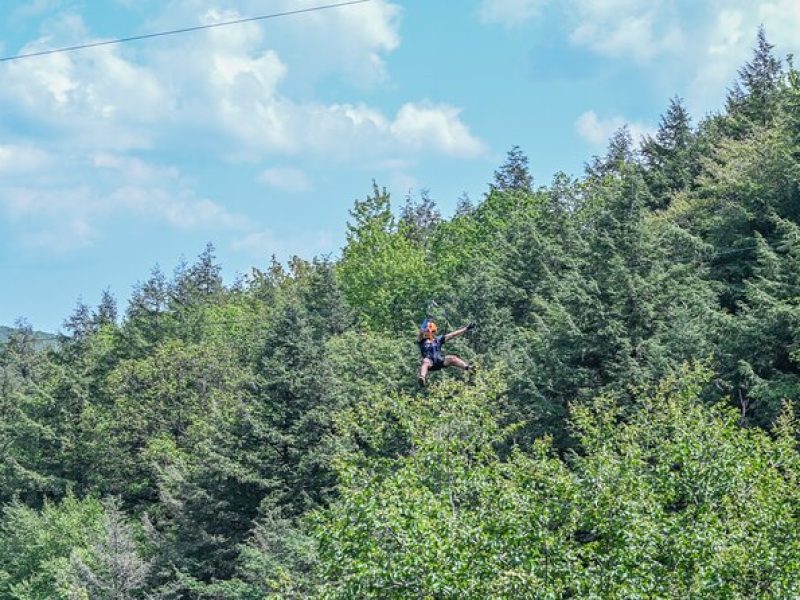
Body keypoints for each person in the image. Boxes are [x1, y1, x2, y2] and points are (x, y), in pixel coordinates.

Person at [417, 317, 474, 387]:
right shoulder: (422, 341)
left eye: (431, 331)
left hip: (439, 361)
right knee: (425, 361)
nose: (429, 333)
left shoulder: (439, 339)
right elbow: (421, 332)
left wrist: (466, 329)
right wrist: (426, 321)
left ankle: (469, 368)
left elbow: (453, 334)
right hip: (430, 364)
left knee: (452, 358)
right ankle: (422, 378)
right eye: (428, 331)